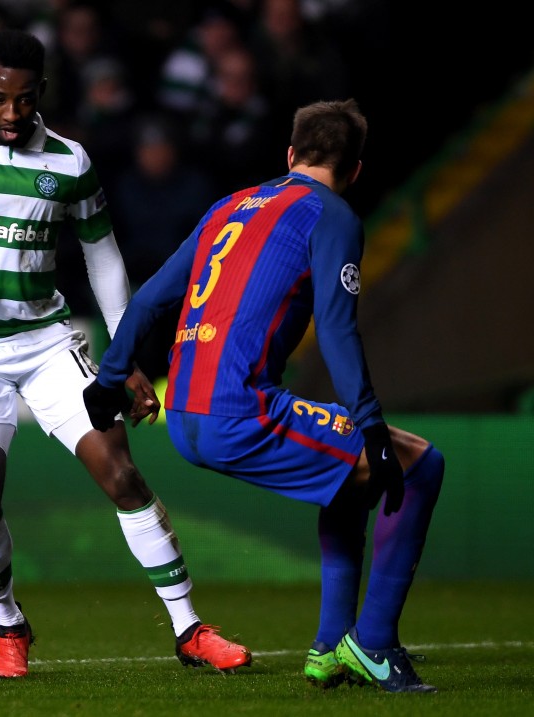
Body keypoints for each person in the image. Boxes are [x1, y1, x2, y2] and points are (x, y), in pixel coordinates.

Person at [0, 28, 251, 679]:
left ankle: (189, 627)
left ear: (41, 95)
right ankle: (9, 625)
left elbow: (103, 258)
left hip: (47, 344)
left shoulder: (69, 162)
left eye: (25, 100)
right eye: (0, 98)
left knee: (120, 473)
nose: (11, 113)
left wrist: (125, 358)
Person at [83, 98, 445, 693]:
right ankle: (374, 644)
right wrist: (373, 426)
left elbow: (149, 299)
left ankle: (332, 647)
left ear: (290, 155)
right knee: (421, 465)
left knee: (350, 481)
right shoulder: (333, 215)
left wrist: (109, 379)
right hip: (240, 411)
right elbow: (336, 329)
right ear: (356, 171)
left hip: (185, 414)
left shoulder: (229, 205)